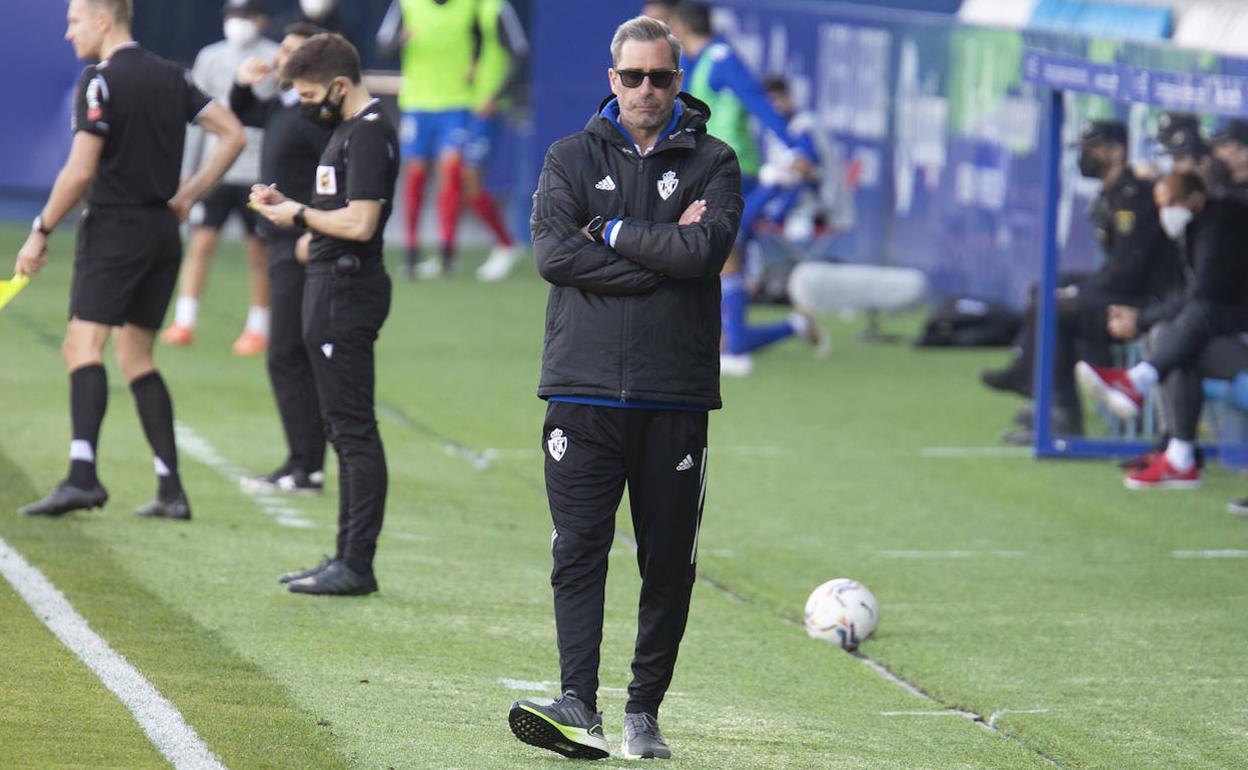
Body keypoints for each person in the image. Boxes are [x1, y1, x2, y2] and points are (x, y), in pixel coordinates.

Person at [507, 15, 742, 761]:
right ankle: (578, 705)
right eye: (633, 76)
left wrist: (605, 232)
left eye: (661, 77)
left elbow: (706, 250)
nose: (646, 89)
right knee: (578, 550)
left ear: (679, 81)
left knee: (667, 561)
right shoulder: (569, 156)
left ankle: (644, 711)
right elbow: (551, 255)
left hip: (673, 394)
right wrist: (662, 257)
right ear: (612, 80)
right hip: (580, 391)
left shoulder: (715, 161)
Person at [16, 0, 246, 519]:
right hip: (162, 234)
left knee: (82, 345)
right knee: (136, 356)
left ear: (104, 19)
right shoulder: (173, 76)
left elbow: (79, 171)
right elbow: (232, 133)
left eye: (74, 21)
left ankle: (82, 476)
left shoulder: (99, 81)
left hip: (115, 229)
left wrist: (41, 230)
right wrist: (189, 196)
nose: (68, 34)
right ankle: (171, 487)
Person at [250, 33, 398, 596]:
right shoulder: (346, 130)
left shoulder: (368, 131)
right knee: (339, 428)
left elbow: (360, 223)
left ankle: (357, 563)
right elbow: (337, 221)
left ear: (339, 84)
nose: (306, 104)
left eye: (311, 93)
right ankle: (343, 555)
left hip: (347, 293)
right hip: (331, 286)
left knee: (354, 431)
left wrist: (298, 214)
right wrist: (300, 220)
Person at [979, 121, 1181, 444]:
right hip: (1123, 289)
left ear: (1115, 152)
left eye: (1093, 149)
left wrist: (1078, 292)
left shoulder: (1134, 197)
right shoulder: (1115, 194)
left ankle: (1059, 413)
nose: (1085, 157)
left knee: (1055, 306)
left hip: (1143, 300)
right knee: (1044, 288)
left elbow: (1128, 274)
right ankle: (1039, 392)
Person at [667, 2, 823, 376]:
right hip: (709, 169)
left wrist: (794, 147)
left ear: (680, 25)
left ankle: (734, 349)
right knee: (720, 255)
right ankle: (750, 337)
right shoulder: (699, 61)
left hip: (732, 168)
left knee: (727, 252)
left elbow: (756, 99)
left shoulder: (721, 58)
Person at [1078, 171, 1248, 489]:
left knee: (1183, 331)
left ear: (1196, 200)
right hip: (1224, 336)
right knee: (1173, 341)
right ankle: (1178, 455)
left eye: (1170, 203)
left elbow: (1204, 295)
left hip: (1238, 336)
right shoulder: (1192, 231)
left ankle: (1139, 382)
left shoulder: (1223, 222)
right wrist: (1145, 318)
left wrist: (1141, 319)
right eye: (1159, 205)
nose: (1164, 213)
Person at [230, 22, 332, 495]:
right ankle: (302, 461)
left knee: (289, 354)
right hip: (278, 240)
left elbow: (334, 176)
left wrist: (313, 226)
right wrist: (242, 81)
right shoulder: (285, 105)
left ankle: (306, 465)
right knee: (288, 354)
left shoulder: (317, 116)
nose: (280, 57)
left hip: (299, 244)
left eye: (292, 51)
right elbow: (244, 111)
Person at [160, 0, 277, 356]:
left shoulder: (273, 57)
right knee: (201, 244)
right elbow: (196, 121)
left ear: (261, 19)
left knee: (258, 252)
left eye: (245, 16)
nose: (238, 23)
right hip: (216, 170)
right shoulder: (209, 57)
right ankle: (184, 320)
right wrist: (187, 172)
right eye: (233, 15)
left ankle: (258, 327)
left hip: (256, 171)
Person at [377, 0, 481, 280]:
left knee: (451, 173)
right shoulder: (406, 5)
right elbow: (383, 43)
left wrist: (477, 67)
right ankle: (412, 249)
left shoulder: (469, 6)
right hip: (418, 105)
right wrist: (400, 39)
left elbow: (487, 40)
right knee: (416, 177)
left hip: (456, 103)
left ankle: (447, 250)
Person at [468, 0, 529, 283]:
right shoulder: (465, 9)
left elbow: (519, 52)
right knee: (455, 179)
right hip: (457, 105)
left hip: (485, 109)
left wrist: (495, 95)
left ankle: (506, 243)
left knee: (471, 179)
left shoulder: (497, 8)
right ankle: (447, 255)